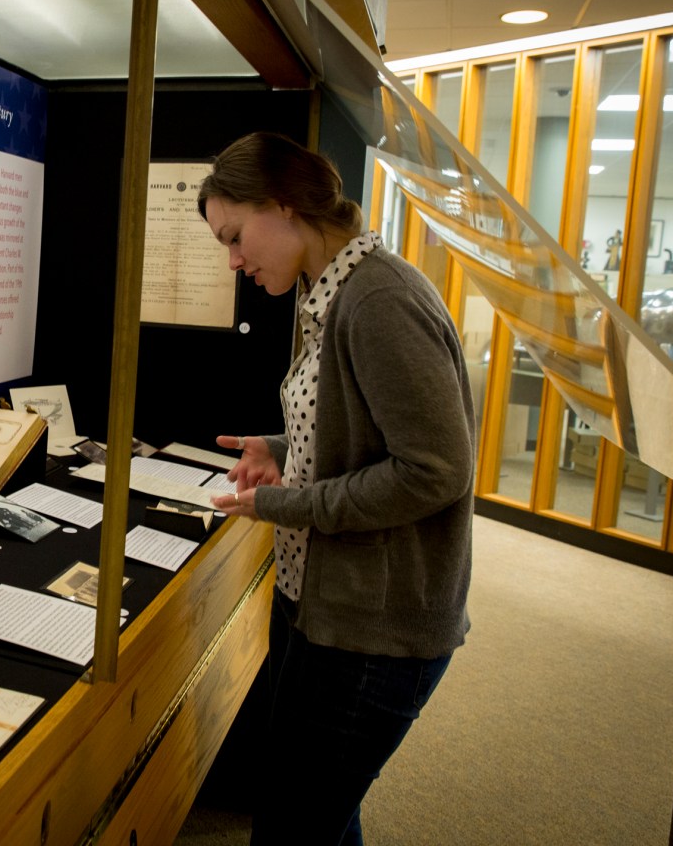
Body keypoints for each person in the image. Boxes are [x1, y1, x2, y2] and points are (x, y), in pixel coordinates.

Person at [198, 131, 474, 845]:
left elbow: (435, 471)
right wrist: (284, 448)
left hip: (372, 631)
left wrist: (282, 502)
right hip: (324, 605)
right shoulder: (334, 289)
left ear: (284, 205)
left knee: (295, 826)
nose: (234, 261)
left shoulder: (378, 298)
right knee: (316, 816)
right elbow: (361, 435)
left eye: (235, 237)